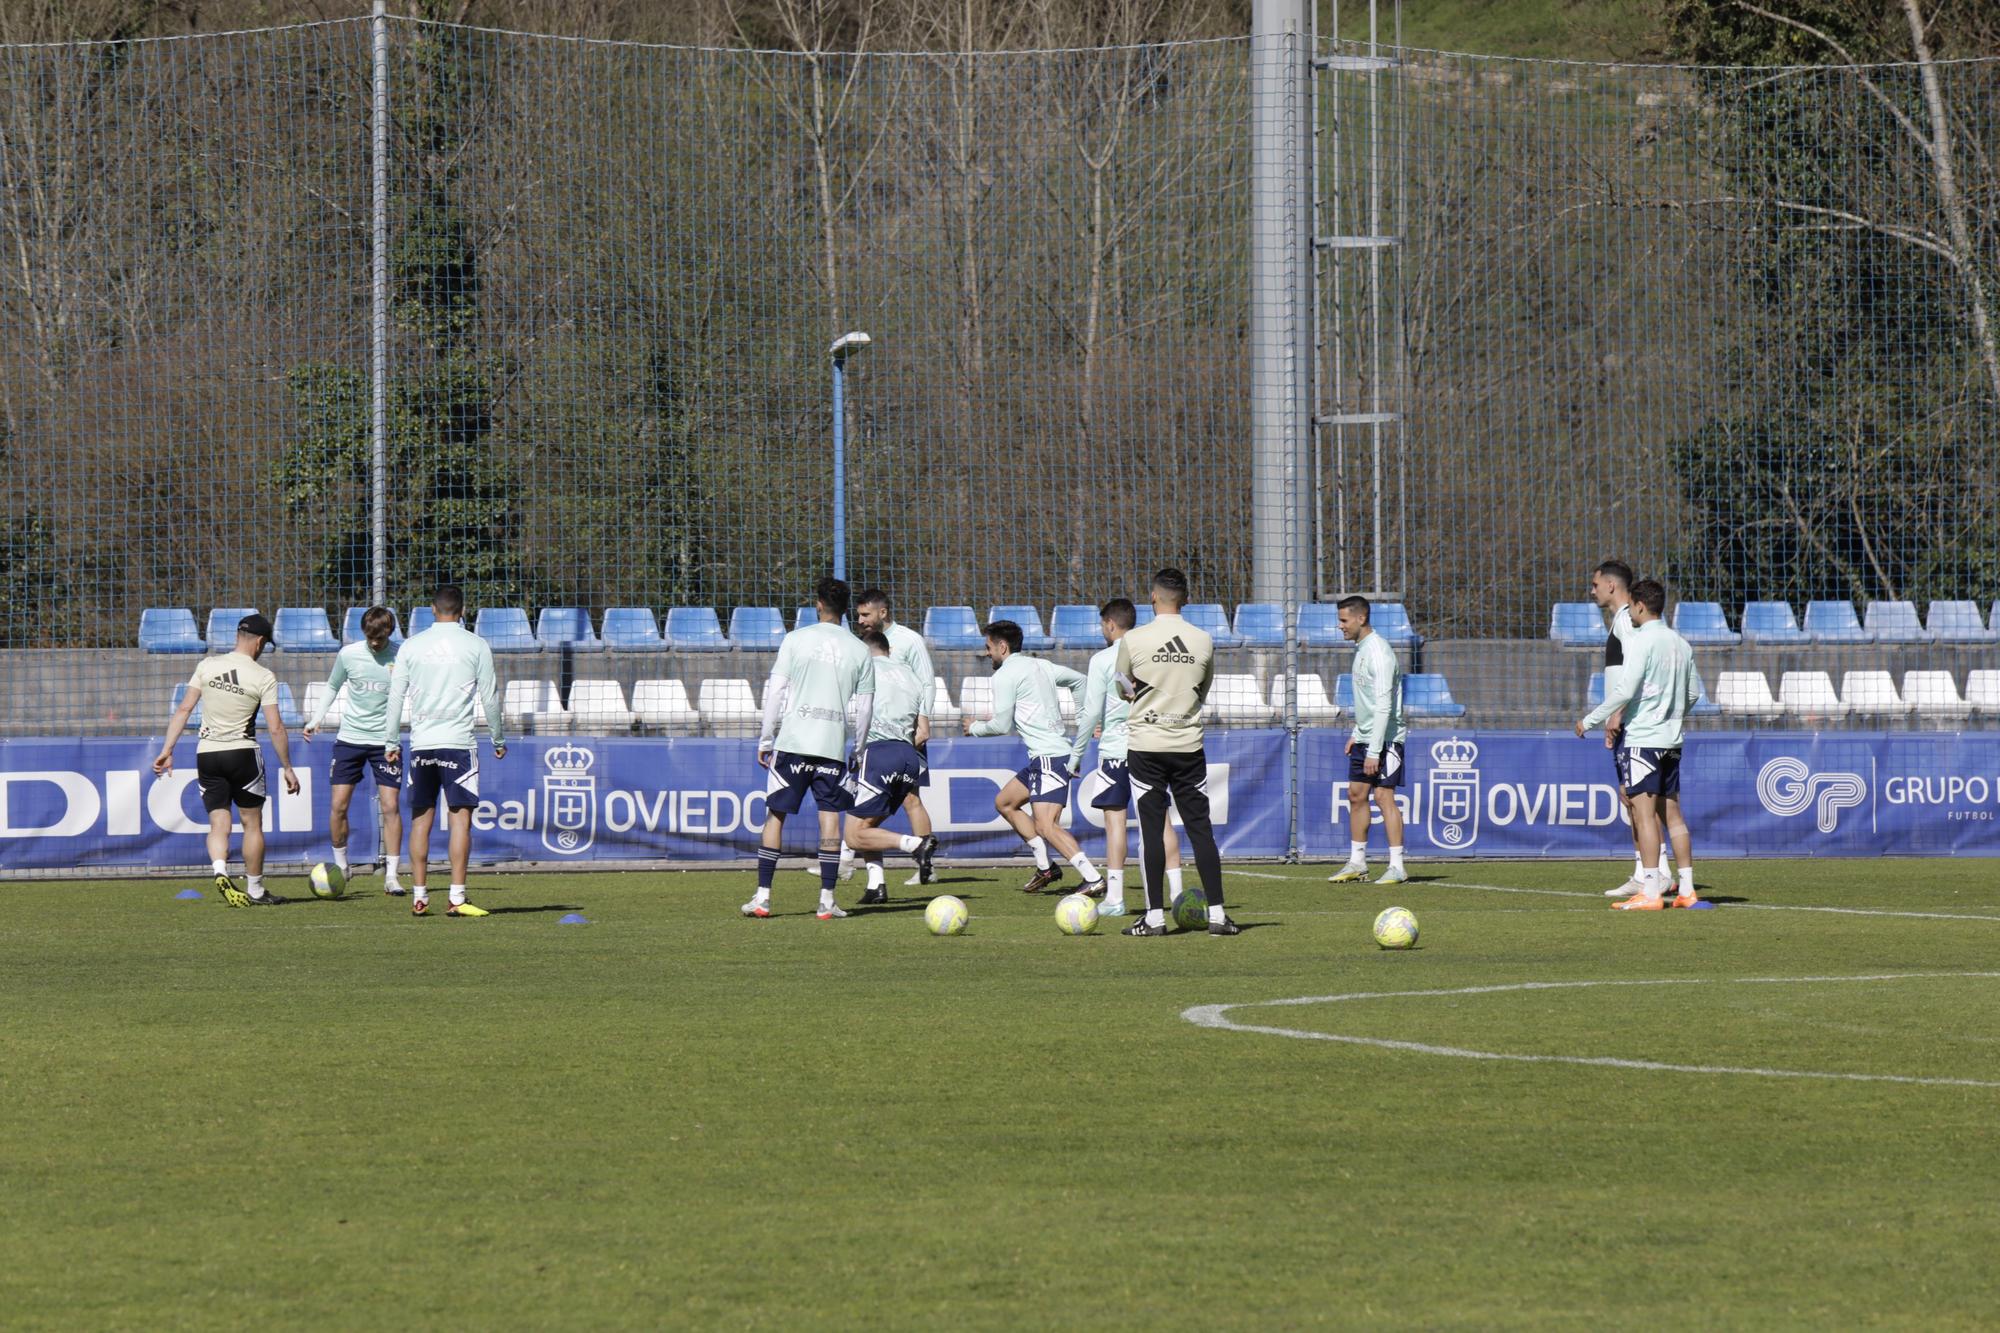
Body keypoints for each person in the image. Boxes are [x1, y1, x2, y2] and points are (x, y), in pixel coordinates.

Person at [1113, 568, 1236, 936]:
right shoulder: (1202, 640)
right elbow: (1203, 688)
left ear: (1153, 597)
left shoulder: (1133, 640)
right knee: (1201, 831)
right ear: (1185, 599)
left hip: (1146, 746)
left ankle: (1154, 918)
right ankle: (1217, 915)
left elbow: (1122, 688)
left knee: (1151, 832)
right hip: (1187, 745)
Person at [744, 576, 875, 921]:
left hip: (793, 742)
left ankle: (763, 898)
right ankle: (827, 900)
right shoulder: (860, 650)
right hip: (832, 746)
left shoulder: (795, 640)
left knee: (776, 815)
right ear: (847, 609)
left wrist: (766, 739)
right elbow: (864, 709)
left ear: (818, 604)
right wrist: (858, 750)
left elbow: (776, 692)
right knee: (829, 819)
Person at [151, 613, 302, 907]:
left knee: (218, 822)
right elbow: (275, 727)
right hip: (243, 753)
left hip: (208, 753)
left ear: (237, 636)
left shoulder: (207, 665)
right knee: (252, 824)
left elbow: (184, 709)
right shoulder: (263, 676)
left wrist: (167, 749)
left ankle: (220, 870)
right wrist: (287, 767)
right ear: (259, 642)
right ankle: (256, 889)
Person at [1576, 579, 1701, 909]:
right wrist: (1672, 715)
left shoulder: (1643, 641)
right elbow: (1693, 694)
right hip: (1672, 740)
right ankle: (1687, 890)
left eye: (1631, 606)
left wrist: (1589, 720)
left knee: (1643, 815)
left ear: (1641, 606)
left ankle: (1650, 892)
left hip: (1643, 739)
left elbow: (1625, 690)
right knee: (1673, 816)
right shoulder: (1681, 643)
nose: (1629, 612)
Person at [382, 585, 505, 919]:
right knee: (460, 823)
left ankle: (420, 897)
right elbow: (490, 696)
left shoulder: (412, 646)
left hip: (422, 745)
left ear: (433, 611)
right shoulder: (476, 645)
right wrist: (498, 737)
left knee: (420, 822)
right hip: (459, 746)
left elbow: (396, 697)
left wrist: (391, 741)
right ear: (462, 611)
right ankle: (456, 897)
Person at [964, 620, 1103, 895]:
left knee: (1046, 826)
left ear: (1002, 647)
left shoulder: (1004, 675)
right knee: (1005, 802)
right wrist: (1080, 716)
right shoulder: (1042, 665)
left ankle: (1093, 878)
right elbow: (1080, 681)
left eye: (988, 647)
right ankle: (1046, 867)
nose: (987, 653)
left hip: (1050, 758)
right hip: (1045, 758)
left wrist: (974, 728)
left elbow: (1001, 726)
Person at [1070, 597, 1182, 918]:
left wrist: (1077, 754)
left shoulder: (1103, 659)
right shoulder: (1152, 653)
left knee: (1115, 822)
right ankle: (1176, 893)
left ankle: (1115, 898)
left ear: (1109, 624)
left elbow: (1091, 712)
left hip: (1117, 751)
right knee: (1160, 821)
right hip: (1151, 746)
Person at [301, 605, 406, 896]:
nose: (375, 643)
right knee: (338, 806)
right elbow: (333, 686)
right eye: (371, 637)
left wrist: (395, 738)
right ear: (364, 632)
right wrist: (316, 718)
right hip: (350, 740)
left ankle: (393, 876)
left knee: (390, 807)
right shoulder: (349, 654)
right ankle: (342, 866)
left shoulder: (402, 656)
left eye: (380, 638)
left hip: (386, 743)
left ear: (389, 632)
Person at [841, 629, 941, 904]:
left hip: (878, 753)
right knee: (867, 826)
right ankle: (876, 886)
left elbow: (853, 707)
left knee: (853, 835)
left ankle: (916, 844)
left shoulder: (865, 667)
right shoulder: (911, 675)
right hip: (908, 755)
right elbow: (922, 729)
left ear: (865, 650)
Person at [1327, 595, 1409, 886]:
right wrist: (1357, 734)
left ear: (1361, 619)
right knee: (1355, 795)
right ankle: (1357, 863)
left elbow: (1385, 707)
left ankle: (1397, 866)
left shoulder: (1379, 653)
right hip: (1367, 738)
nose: (1340, 626)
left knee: (1383, 796)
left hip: (1386, 740)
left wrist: (1375, 750)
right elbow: (1368, 703)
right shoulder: (1361, 649)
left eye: (1343, 620)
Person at [1591, 559, 1653, 897]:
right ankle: (1645, 871)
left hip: (1633, 725)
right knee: (1633, 799)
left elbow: (1636, 672)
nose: (1593, 590)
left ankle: (1650, 874)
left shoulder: (1628, 621)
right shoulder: (1622, 619)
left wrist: (1618, 714)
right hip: (1626, 721)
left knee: (1639, 800)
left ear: (1611, 586)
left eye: (1596, 584)